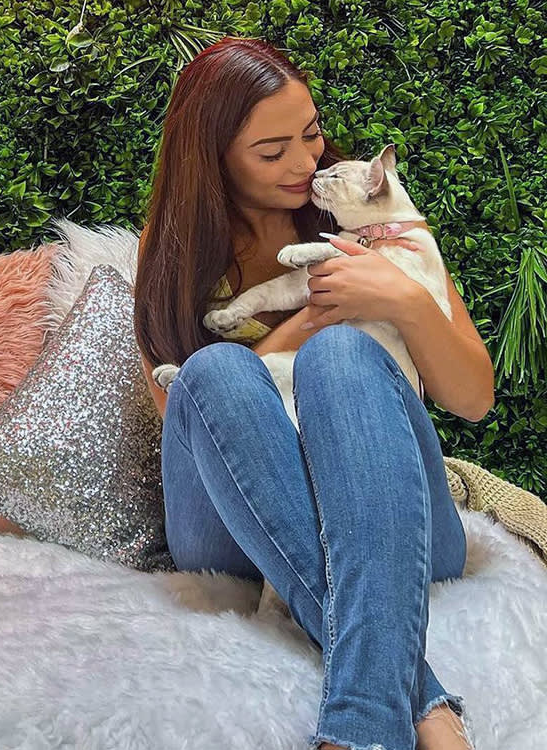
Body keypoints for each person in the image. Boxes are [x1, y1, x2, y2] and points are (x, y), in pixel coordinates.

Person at [133, 37, 495, 750]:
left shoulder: (362, 209)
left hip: (390, 516)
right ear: (213, 159)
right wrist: (309, 317)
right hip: (236, 525)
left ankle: (359, 728)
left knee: (344, 354)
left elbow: (474, 399)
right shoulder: (173, 245)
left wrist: (402, 301)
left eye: (312, 133)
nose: (306, 163)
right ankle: (418, 696)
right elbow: (183, 414)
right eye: (273, 152)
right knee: (214, 371)